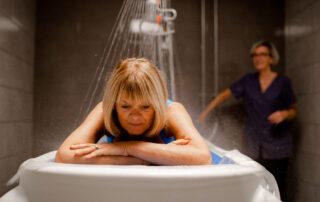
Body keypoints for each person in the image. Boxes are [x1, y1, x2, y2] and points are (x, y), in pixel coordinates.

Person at [55, 58, 212, 166]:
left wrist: (125, 148)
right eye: (125, 107)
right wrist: (143, 160)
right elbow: (64, 156)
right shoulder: (105, 110)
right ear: (114, 103)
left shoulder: (171, 111)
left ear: (157, 104)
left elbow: (203, 158)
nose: (135, 117)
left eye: (145, 107)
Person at [199, 41, 296, 199]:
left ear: (271, 59)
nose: (258, 58)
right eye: (255, 55)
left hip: (278, 144)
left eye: (263, 54)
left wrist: (284, 114)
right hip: (253, 143)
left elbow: (293, 111)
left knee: (277, 186)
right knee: (256, 186)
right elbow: (225, 95)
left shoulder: (283, 83)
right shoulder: (248, 81)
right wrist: (205, 113)